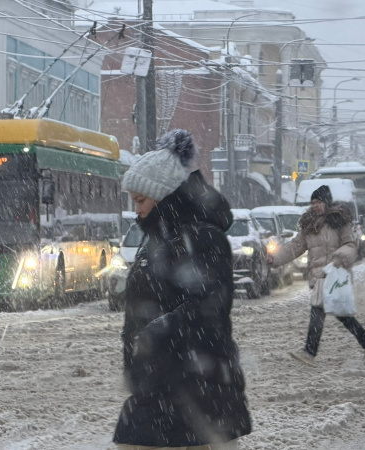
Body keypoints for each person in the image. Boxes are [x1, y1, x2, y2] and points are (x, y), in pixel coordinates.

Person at [113, 129, 251, 450]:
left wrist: (155, 334)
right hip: (159, 384)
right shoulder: (155, 241)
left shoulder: (204, 237)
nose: (138, 210)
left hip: (201, 383)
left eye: (142, 200)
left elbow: (210, 307)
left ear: (163, 195)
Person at [266, 185, 365, 367]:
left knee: (320, 312)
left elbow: (350, 245)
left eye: (318, 202)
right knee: (338, 314)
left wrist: (338, 257)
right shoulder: (310, 226)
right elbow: (295, 246)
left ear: (326, 202)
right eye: (313, 203)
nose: (315, 206)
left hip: (335, 275)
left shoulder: (339, 221)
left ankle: (310, 353)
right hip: (319, 276)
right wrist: (276, 258)